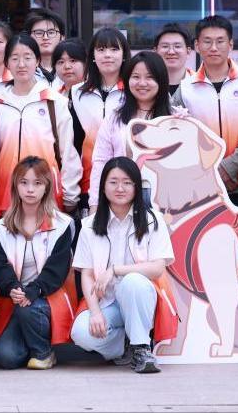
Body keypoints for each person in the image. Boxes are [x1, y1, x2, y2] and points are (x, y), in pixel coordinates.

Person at [70, 158, 176, 374]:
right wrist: (95, 312)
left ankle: (141, 347)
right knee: (80, 333)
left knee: (132, 281)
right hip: (108, 302)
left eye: (127, 182)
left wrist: (115, 270)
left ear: (136, 187)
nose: (120, 188)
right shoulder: (89, 226)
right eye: (113, 182)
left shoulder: (152, 220)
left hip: (143, 299)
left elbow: (157, 268)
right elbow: (87, 275)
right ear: (103, 187)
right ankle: (126, 345)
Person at [0, 35, 81, 217]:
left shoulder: (54, 101)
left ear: (37, 61)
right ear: (7, 63)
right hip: (6, 193)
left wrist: (70, 194)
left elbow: (67, 151)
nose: (21, 64)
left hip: (46, 192)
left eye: (28, 57)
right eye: (15, 58)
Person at [0, 157, 76, 370]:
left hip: (48, 296)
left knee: (29, 311)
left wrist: (34, 290)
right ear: (15, 186)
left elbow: (57, 269)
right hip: (16, 300)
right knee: (6, 357)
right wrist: (13, 287)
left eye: (37, 183)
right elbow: (0, 266)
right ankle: (29, 340)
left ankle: (43, 352)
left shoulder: (63, 224)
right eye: (24, 182)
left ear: (47, 186)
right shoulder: (0, 227)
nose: (30, 189)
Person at [174, 15, 238, 195]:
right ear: (197, 45)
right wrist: (211, 171)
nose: (214, 48)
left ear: (231, 44)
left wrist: (230, 167)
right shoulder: (185, 88)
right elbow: (179, 137)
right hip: (202, 187)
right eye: (207, 41)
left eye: (220, 41)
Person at [89, 52, 177, 201]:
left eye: (149, 77)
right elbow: (100, 162)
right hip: (121, 197)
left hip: (165, 199)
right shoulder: (114, 119)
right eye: (136, 77)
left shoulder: (175, 118)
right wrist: (95, 203)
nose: (142, 83)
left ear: (161, 80)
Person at [72, 28, 130, 208]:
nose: (107, 55)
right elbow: (74, 141)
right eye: (101, 49)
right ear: (93, 56)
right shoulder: (77, 93)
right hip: (88, 178)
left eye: (114, 49)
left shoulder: (134, 90)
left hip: (126, 180)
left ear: (124, 55)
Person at [24, 9, 66, 87]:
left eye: (51, 32)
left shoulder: (70, 69)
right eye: (39, 33)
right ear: (28, 37)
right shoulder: (22, 69)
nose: (45, 37)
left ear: (62, 37)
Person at [153, 23, 194, 98]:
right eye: (165, 46)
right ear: (155, 51)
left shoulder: (201, 84)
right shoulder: (146, 84)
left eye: (177, 46)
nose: (171, 52)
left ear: (188, 51)